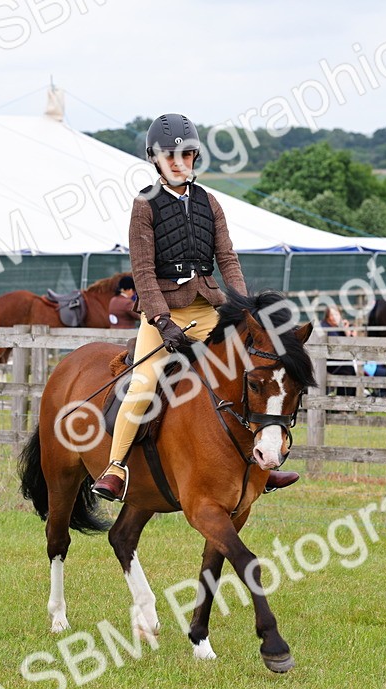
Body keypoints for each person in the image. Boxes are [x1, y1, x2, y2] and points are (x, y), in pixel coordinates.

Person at [91, 113, 296, 501]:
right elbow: (143, 271)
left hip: (208, 310)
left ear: (195, 157)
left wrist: (243, 306)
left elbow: (228, 258)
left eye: (185, 154)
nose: (178, 162)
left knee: (247, 372)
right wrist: (160, 318)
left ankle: (260, 464)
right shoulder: (145, 206)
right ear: (155, 159)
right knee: (143, 382)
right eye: (170, 156)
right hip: (164, 313)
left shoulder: (209, 202)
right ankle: (116, 468)